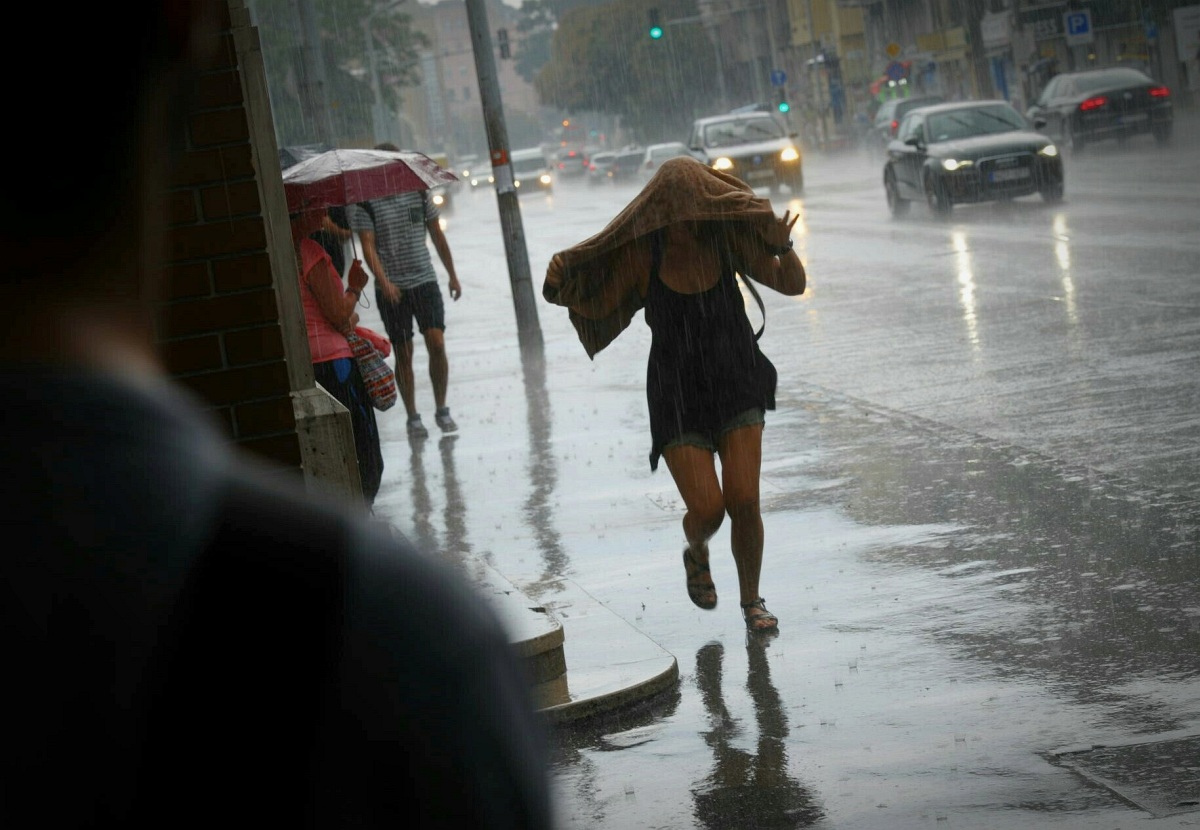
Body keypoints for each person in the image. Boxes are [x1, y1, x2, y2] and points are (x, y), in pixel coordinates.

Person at [0, 3, 552, 826]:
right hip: (336, 375)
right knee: (364, 470)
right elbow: (337, 302)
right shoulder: (389, 643)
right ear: (192, 30)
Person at [544, 157, 806, 633]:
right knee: (708, 508)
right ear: (659, 207)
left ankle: (752, 603)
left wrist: (781, 245)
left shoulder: (726, 238)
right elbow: (599, 302)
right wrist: (564, 281)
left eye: (694, 200)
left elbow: (792, 283)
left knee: (745, 498)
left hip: (736, 375)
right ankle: (697, 547)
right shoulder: (647, 252)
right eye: (676, 204)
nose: (686, 213)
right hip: (675, 388)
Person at [351, 143, 463, 439]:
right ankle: (413, 416)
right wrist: (385, 281)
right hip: (393, 290)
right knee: (404, 352)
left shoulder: (418, 192)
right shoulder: (366, 201)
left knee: (436, 343)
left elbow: (437, 236)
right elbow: (368, 246)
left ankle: (442, 408)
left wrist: (452, 275)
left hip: (424, 280)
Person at [292, 205, 385, 506]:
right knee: (363, 452)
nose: (323, 210)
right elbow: (337, 315)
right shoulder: (309, 250)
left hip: (305, 362)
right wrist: (355, 288)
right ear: (298, 209)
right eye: (314, 203)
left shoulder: (282, 250)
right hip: (335, 365)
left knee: (331, 455)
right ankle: (359, 518)